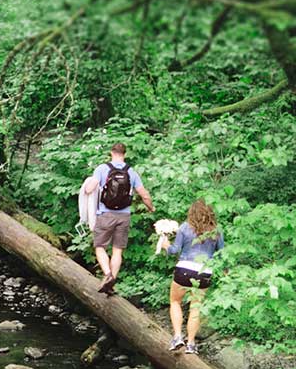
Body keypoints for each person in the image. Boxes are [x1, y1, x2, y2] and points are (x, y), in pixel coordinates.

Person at [82, 143, 154, 294]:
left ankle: (108, 275)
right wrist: (151, 208)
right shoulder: (131, 172)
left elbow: (89, 189)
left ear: (111, 153)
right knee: (117, 250)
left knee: (100, 246)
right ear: (124, 154)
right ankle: (112, 282)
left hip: (105, 215)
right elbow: (144, 194)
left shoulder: (102, 169)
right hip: (124, 215)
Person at [158, 199, 224, 355]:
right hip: (204, 271)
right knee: (196, 307)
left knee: (175, 301)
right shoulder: (216, 230)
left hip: (184, 269)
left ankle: (177, 337)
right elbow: (222, 254)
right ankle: (191, 344)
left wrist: (165, 245)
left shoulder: (184, 228)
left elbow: (174, 251)